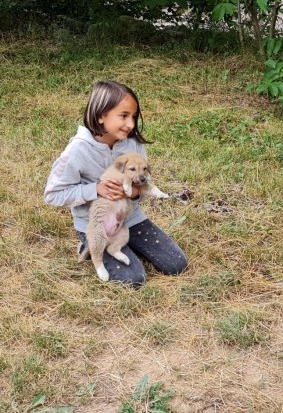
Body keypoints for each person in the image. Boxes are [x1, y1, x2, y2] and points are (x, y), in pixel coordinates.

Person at [44, 80, 187, 287]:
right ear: (101, 115)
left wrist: (135, 193)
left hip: (131, 218)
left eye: (134, 117)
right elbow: (52, 195)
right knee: (134, 279)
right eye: (124, 116)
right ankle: (89, 242)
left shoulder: (133, 144)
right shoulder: (77, 150)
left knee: (176, 264)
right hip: (95, 223)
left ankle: (131, 244)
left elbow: (145, 180)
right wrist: (95, 189)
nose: (131, 124)